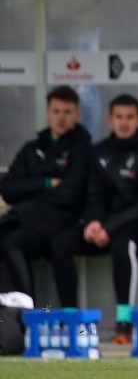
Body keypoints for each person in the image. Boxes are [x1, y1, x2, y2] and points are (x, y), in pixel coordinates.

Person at [57, 94, 138, 343]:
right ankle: (70, 320)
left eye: (130, 117)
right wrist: (93, 222)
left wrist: (109, 228)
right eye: (119, 117)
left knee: (124, 242)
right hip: (108, 226)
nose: (124, 123)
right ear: (109, 120)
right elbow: (94, 195)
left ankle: (124, 322)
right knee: (60, 243)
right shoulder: (100, 152)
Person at [0, 86, 92, 305]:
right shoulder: (32, 148)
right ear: (47, 113)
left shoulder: (82, 148)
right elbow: (8, 189)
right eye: (56, 111)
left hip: (59, 222)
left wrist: (30, 191)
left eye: (67, 112)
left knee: (12, 243)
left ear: (77, 116)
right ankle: (10, 317)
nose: (61, 118)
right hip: (26, 219)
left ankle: (27, 314)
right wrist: (47, 182)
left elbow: (70, 193)